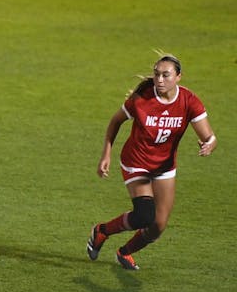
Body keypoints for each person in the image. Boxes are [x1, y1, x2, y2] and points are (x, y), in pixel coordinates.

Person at [87, 54, 218, 270]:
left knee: (158, 225)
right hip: (136, 162)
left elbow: (209, 137)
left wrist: (209, 145)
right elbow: (115, 121)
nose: (159, 80)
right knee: (144, 215)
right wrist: (106, 153)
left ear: (178, 77)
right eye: (157, 74)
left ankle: (124, 252)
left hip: (164, 167)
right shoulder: (141, 99)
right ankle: (102, 231)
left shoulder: (189, 101)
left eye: (166, 75)